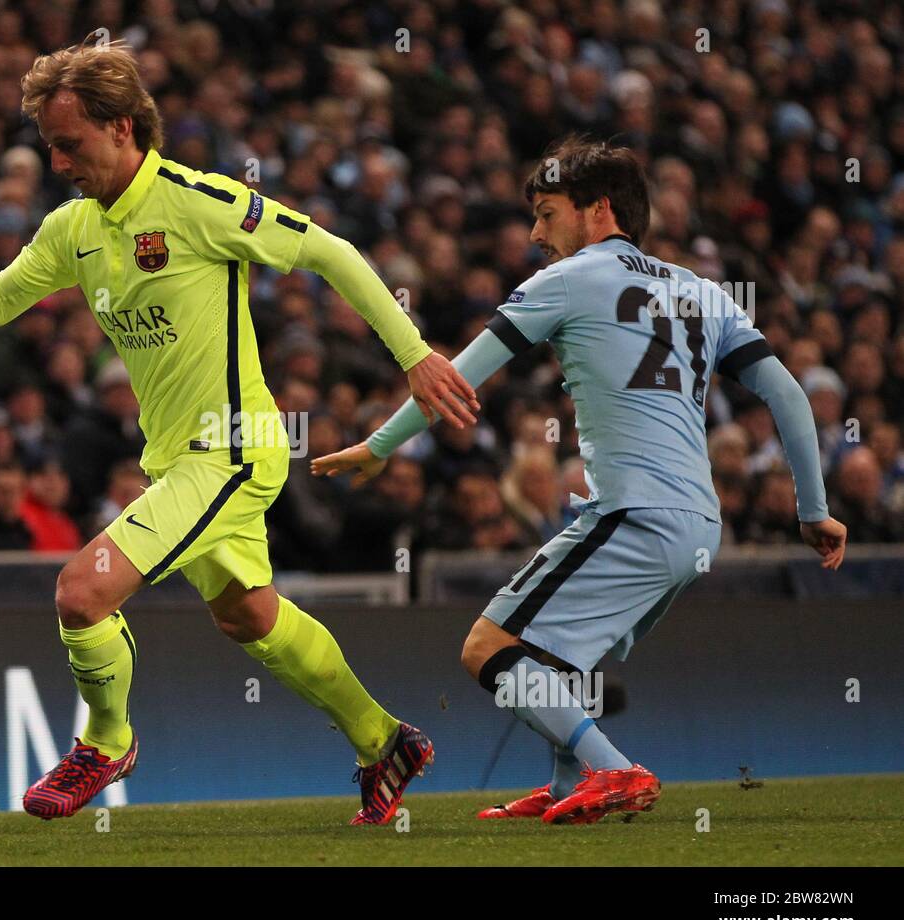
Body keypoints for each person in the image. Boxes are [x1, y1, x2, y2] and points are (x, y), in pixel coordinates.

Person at [0, 38, 477, 825]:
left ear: (122, 126)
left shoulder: (198, 201)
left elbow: (331, 251)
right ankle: (382, 738)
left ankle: (106, 739)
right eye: (48, 147)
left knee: (82, 592)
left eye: (70, 144)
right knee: (248, 616)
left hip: (231, 451)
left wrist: (414, 354)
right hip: (179, 462)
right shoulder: (74, 227)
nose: (57, 163)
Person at [313, 137, 846, 825]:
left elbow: (456, 378)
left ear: (598, 210)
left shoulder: (567, 281)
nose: (535, 233)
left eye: (546, 213)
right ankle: (568, 788)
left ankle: (616, 770)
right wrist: (814, 509)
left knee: (488, 648)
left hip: (635, 511)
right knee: (559, 657)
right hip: (697, 524)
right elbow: (789, 397)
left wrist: (380, 445)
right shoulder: (702, 291)